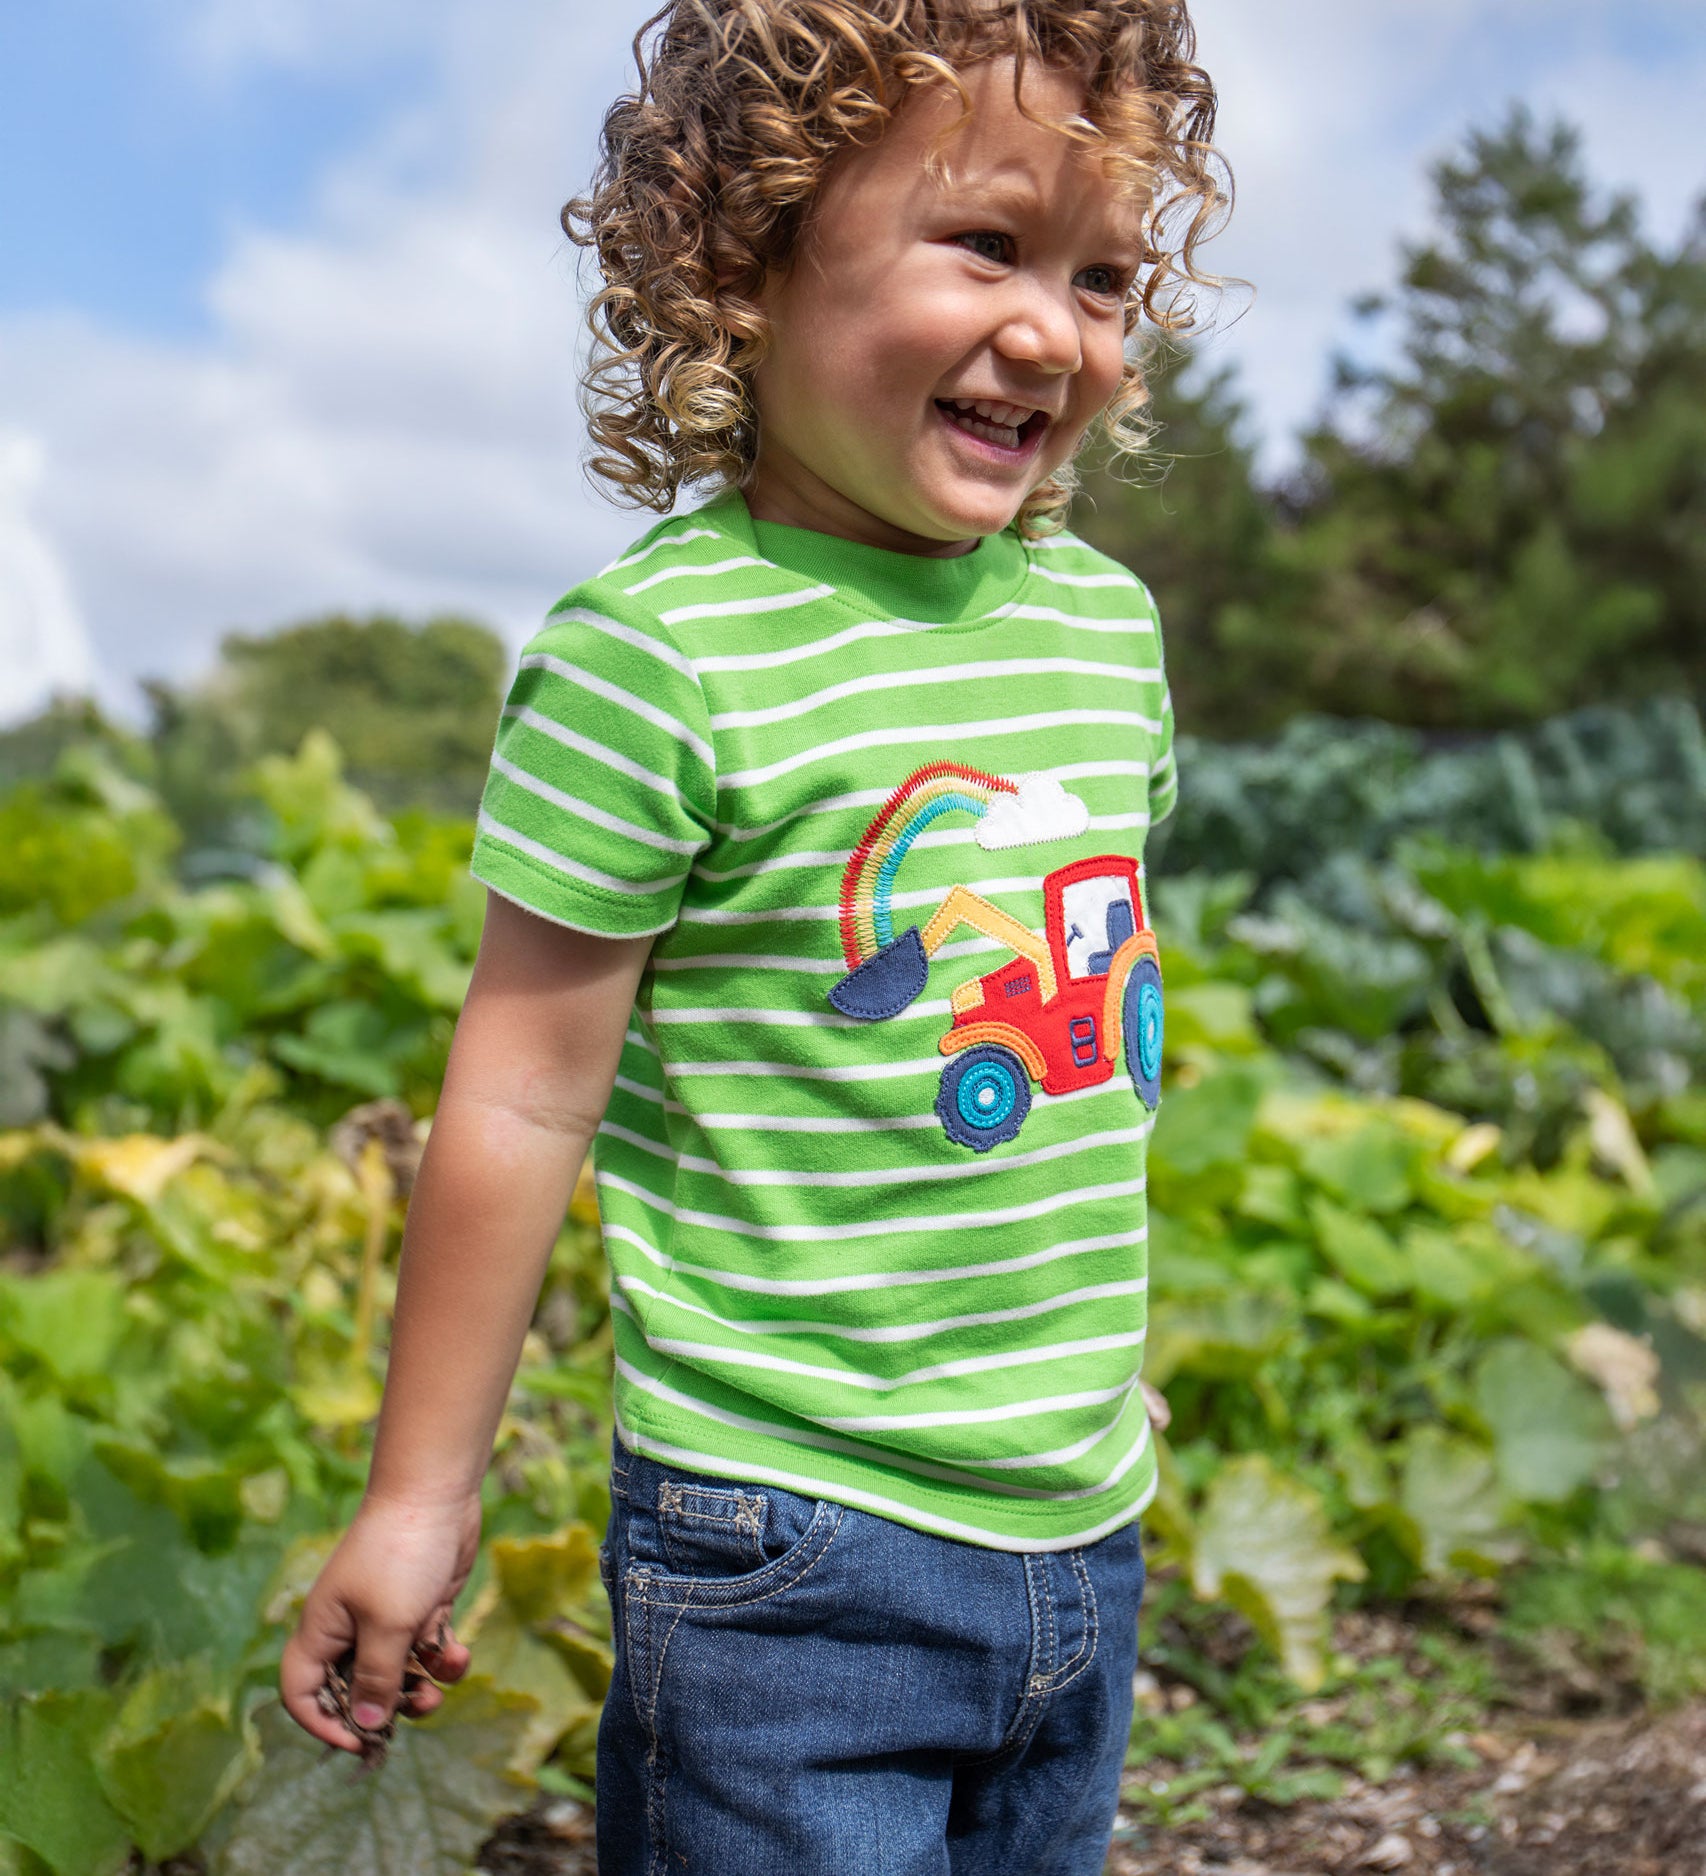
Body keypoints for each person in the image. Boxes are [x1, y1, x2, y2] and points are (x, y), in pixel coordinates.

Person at [282, 2, 1227, 1868]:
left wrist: (1071, 1349)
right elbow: (524, 1097)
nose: (1054, 328)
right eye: (987, 245)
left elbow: (1085, 1035)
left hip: (1081, 1526)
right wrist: (417, 1499)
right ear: (749, 260)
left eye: (1105, 275)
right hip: (791, 1550)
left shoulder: (1103, 630)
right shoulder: (659, 655)